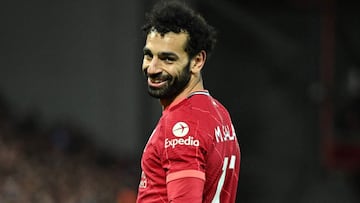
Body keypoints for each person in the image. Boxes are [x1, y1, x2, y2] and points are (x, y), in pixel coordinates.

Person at [136, 0, 241, 202]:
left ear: (197, 61)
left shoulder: (181, 125)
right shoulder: (219, 113)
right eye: (149, 55)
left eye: (168, 59)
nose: (152, 68)